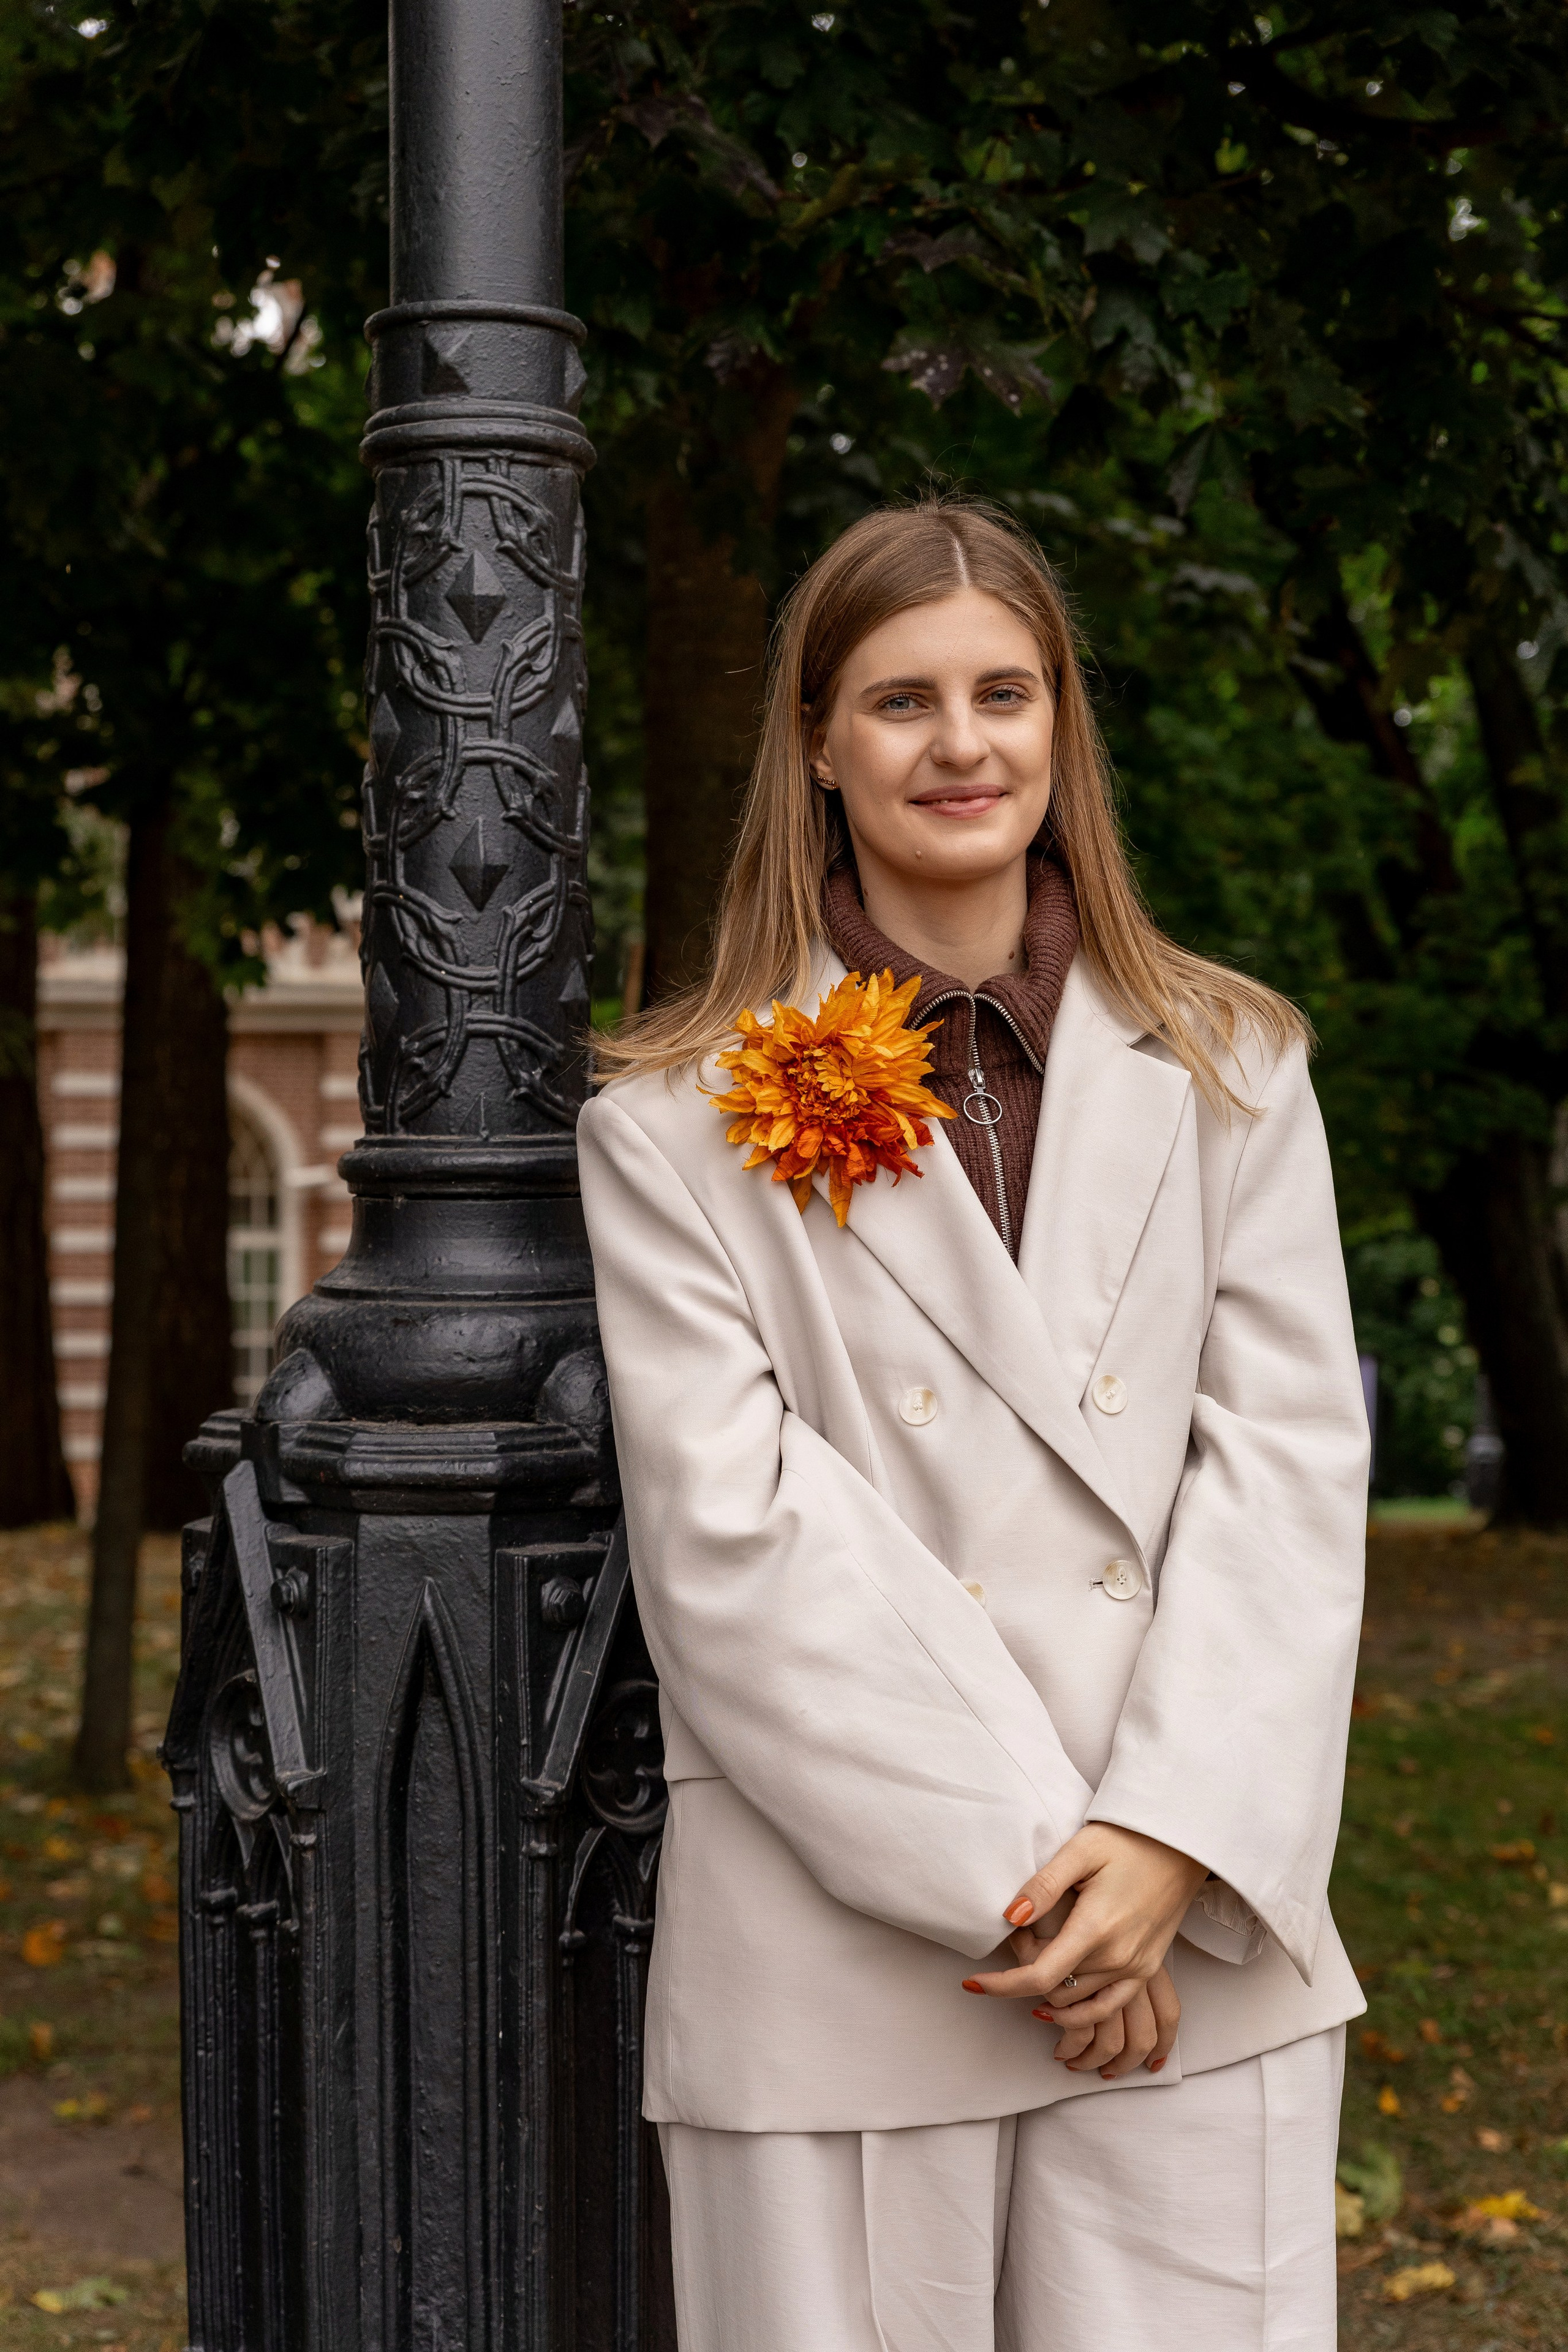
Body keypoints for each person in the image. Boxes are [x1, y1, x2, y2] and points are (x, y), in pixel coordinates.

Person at [577, 498, 1368, 2351]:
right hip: (851, 1952)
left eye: (1005, 692)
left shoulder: (1238, 1070)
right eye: (903, 699)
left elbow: (1288, 1485)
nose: (961, 743)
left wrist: (1167, 1849)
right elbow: (739, 1552)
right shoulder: (672, 1127)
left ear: (1061, 726)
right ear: (818, 746)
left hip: (1199, 1943)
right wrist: (1053, 1905)